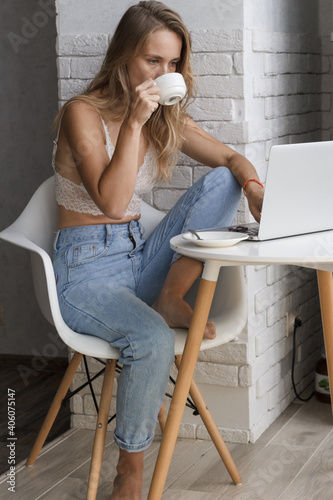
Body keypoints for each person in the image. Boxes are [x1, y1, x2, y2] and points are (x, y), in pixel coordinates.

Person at [52, 1, 264, 498]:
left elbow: (229, 158)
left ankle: (170, 295)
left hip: (137, 257)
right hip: (85, 272)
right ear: (124, 55)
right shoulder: (81, 113)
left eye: (172, 64)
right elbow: (112, 200)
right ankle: (130, 472)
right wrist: (132, 122)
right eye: (153, 61)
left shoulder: (164, 117)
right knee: (148, 337)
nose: (164, 73)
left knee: (221, 182)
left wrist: (252, 184)